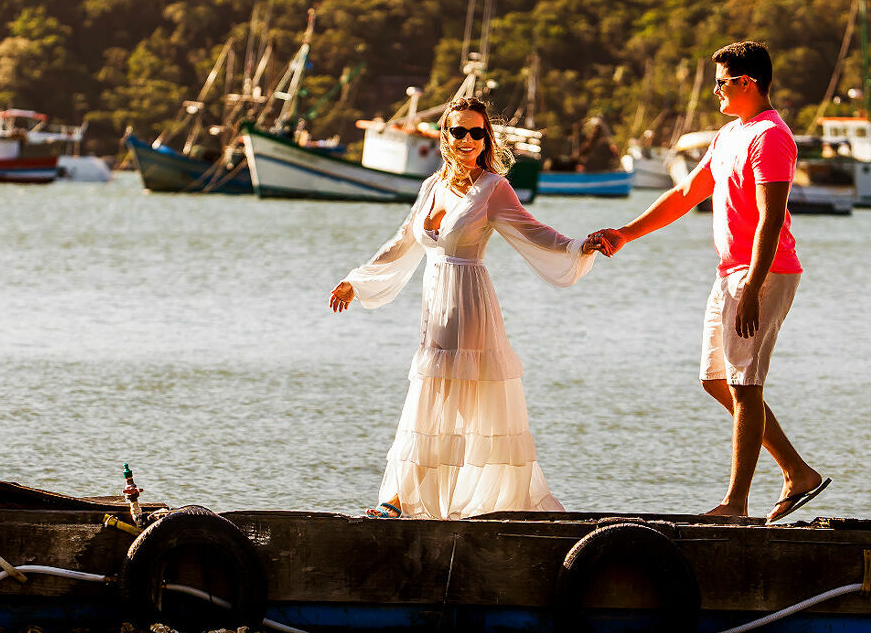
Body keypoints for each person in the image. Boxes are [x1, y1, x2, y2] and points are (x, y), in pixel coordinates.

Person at [329, 97, 603, 520]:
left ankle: (401, 501)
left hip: (470, 303)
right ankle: (417, 499)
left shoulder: (494, 187)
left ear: (486, 138)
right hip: (435, 305)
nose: (469, 140)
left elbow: (535, 232)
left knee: (449, 400)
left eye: (477, 132)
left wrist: (577, 246)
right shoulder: (432, 186)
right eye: (459, 131)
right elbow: (404, 242)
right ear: (445, 135)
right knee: (432, 396)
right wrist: (356, 280)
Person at [587, 41, 827, 522]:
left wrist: (755, 286)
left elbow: (771, 219)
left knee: (744, 384)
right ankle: (798, 472)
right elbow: (684, 193)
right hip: (730, 272)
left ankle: (736, 504)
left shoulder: (771, 137)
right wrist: (627, 233)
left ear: (747, 83)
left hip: (763, 273)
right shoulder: (728, 136)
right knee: (715, 379)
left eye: (721, 82)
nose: (714, 91)